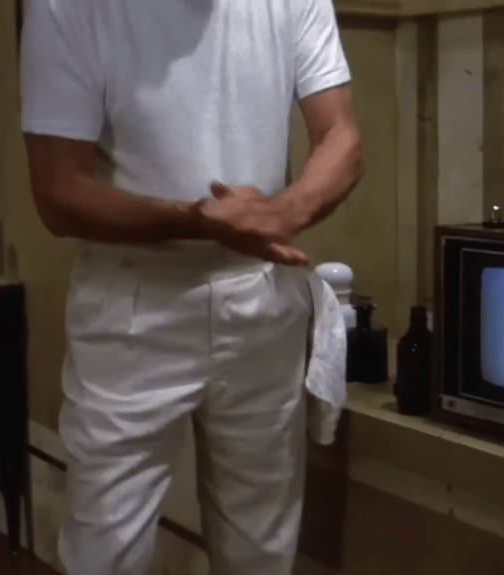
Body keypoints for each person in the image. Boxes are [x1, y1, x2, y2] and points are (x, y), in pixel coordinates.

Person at [20, 1, 363, 574]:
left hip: (261, 296)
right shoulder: (68, 7)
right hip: (131, 303)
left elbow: (342, 135)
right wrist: (198, 219)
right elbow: (58, 191)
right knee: (104, 549)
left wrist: (282, 213)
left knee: (261, 548)